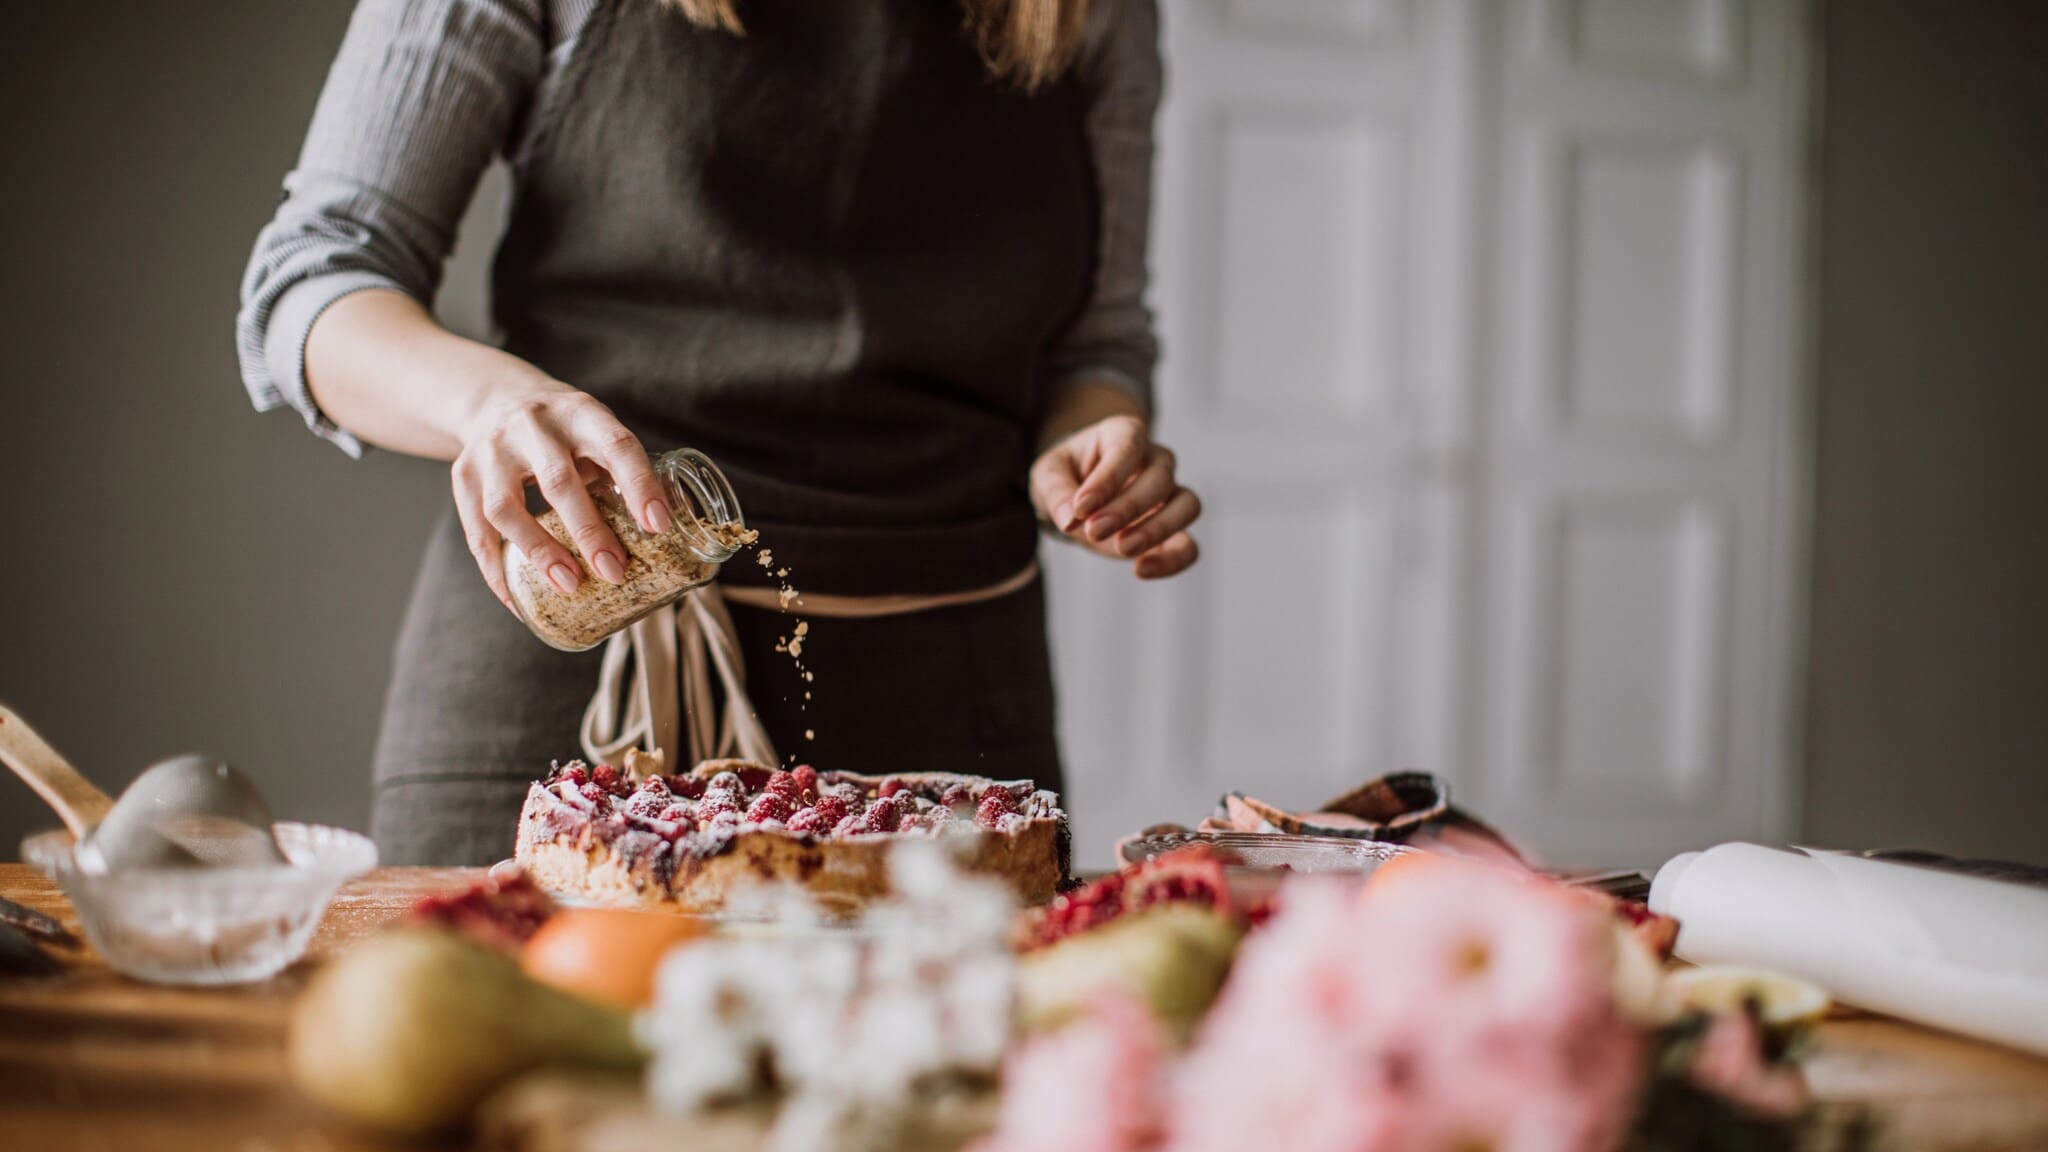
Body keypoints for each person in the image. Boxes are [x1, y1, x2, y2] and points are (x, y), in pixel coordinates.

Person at [236, 0, 1199, 865]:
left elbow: (1097, 342)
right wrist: (489, 404)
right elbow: (317, 274)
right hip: (577, 658)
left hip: (949, 698)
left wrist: (1088, 446)